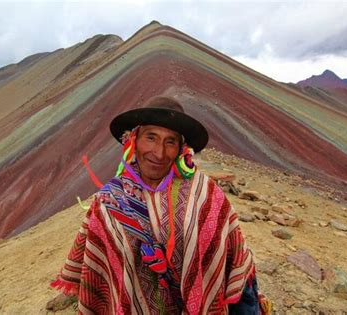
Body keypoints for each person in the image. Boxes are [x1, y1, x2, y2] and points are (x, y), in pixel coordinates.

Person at [49, 96, 270, 314]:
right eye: (151, 137)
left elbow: (231, 256)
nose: (159, 152)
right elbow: (99, 269)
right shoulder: (109, 201)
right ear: (133, 140)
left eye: (170, 141)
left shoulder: (205, 194)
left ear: (181, 149)